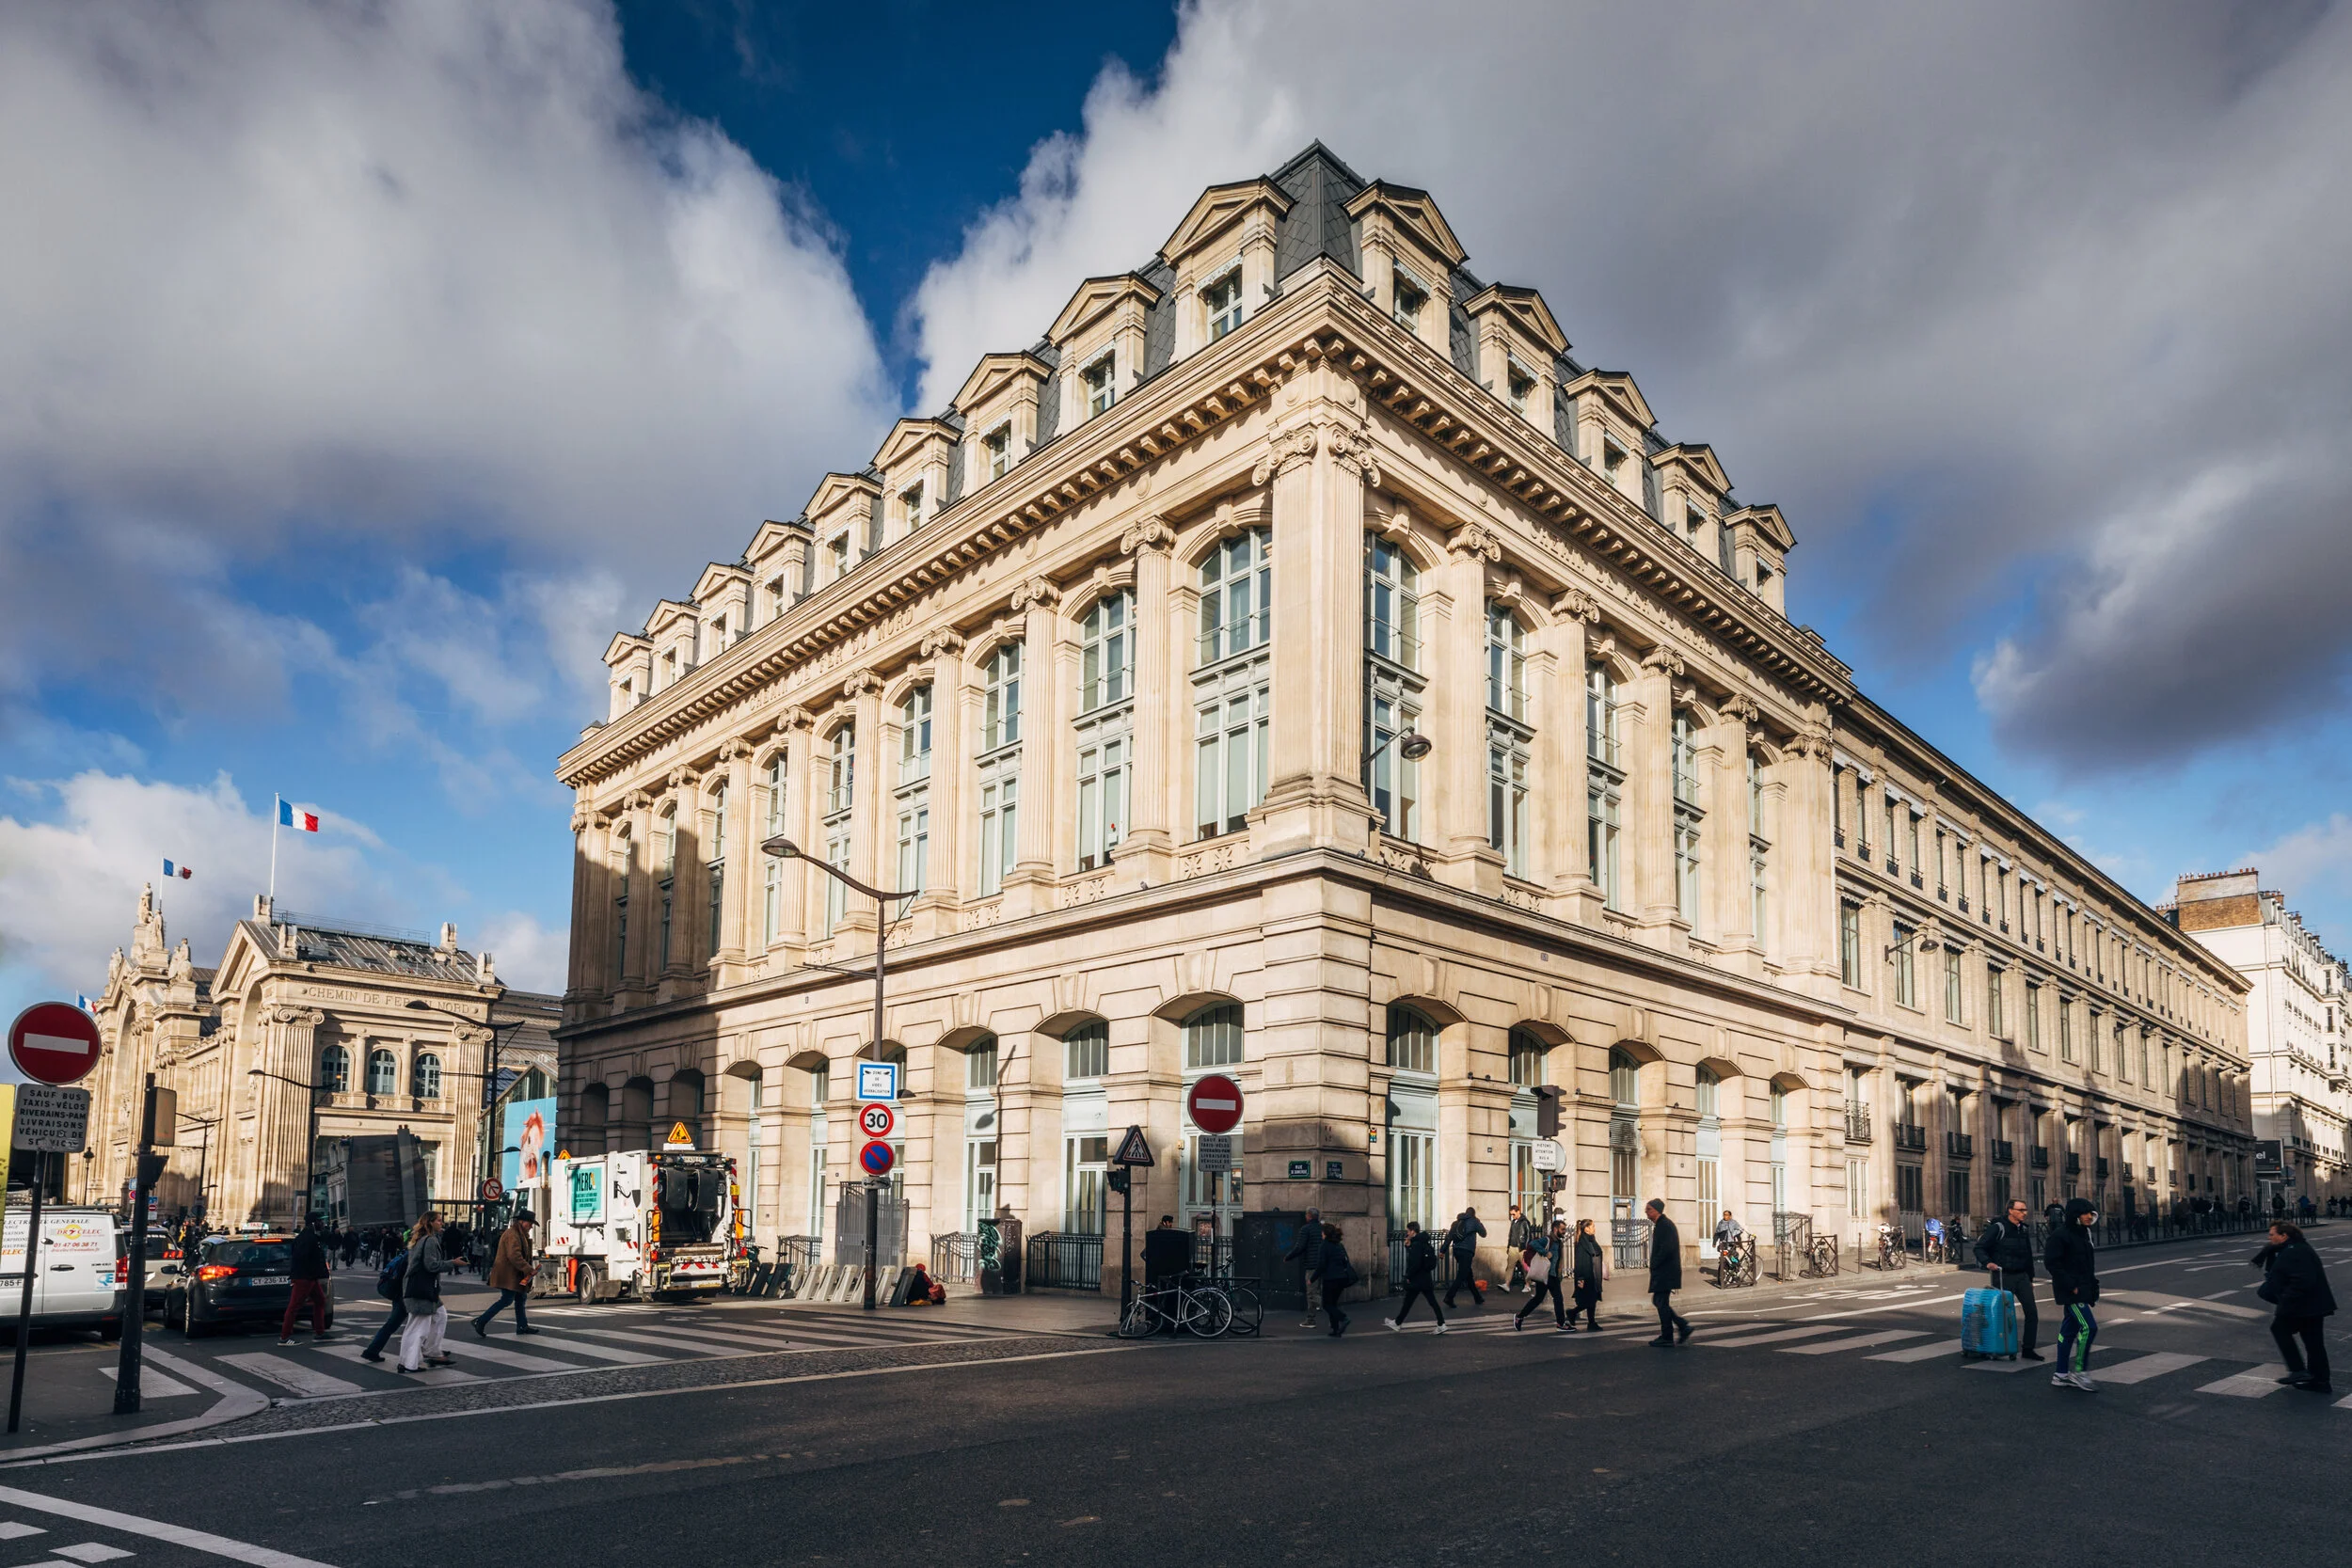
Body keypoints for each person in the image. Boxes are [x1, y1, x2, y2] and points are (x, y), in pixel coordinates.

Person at [2254, 1221, 2335, 1393]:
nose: (2269, 1237)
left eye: (2272, 1234)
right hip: (2312, 1305)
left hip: (2301, 1305)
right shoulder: (2294, 1248)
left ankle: (2298, 1370)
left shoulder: (2295, 1251)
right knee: (2313, 1343)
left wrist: (2286, 1299)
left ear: (2284, 1236)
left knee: (2279, 1329)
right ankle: (2320, 1381)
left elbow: (2303, 1280)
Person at [1973, 1196, 2044, 1361]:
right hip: (2003, 1276)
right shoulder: (1998, 1228)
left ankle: (2028, 1349)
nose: (2024, 1213)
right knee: (2002, 1315)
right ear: (2010, 1211)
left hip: (2022, 1276)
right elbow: (1980, 1247)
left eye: (2025, 1210)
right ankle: (1997, 1345)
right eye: (2021, 1210)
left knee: (2032, 1313)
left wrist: (2030, 1278)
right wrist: (1988, 1262)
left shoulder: (2023, 1229)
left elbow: (2028, 1256)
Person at [2044, 1196, 2101, 1391]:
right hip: (2072, 1292)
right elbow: (2052, 1263)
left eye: (2091, 1213)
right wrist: (2071, 1286)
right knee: (2089, 1328)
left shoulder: (2084, 1233)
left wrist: (2092, 1286)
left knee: (2067, 1333)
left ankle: (2060, 1374)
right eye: (2085, 1213)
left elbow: (2087, 1265)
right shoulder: (2060, 1235)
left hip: (2082, 1289)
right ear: (2074, 1215)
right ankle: (2080, 1372)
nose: (2089, 1217)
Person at [397, 1211, 462, 1374]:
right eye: (439, 1220)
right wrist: (453, 1263)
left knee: (440, 1316)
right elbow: (431, 1265)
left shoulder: (420, 1239)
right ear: (430, 1223)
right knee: (418, 1328)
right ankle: (409, 1363)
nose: (442, 1223)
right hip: (422, 1290)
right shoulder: (430, 1240)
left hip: (421, 1288)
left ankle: (431, 1351)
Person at [471, 1210, 540, 1338]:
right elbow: (514, 1256)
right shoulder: (512, 1234)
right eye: (530, 1223)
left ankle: (522, 1326)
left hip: (515, 1274)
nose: (531, 1226)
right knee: (507, 1300)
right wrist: (529, 1269)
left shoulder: (519, 1233)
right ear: (521, 1221)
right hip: (509, 1274)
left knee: (520, 1298)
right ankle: (480, 1321)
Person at [278, 1215, 335, 1345]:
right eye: (320, 1221)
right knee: (294, 1306)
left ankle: (320, 1332)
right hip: (304, 1277)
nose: (323, 1223)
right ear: (314, 1223)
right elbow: (303, 1258)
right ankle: (285, 1337)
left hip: (309, 1276)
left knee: (320, 1301)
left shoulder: (310, 1236)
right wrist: (313, 1270)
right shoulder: (307, 1238)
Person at [1386, 1221, 1448, 1334]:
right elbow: (1418, 1258)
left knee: (1409, 1302)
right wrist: (1408, 1246)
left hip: (1417, 1279)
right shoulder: (1422, 1242)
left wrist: (1408, 1276)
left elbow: (1415, 1263)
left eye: (1408, 1231)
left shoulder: (1416, 1244)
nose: (1407, 1233)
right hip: (1425, 1278)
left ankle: (1398, 1323)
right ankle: (1441, 1323)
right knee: (1429, 1302)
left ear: (1413, 1231)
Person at [1645, 1199, 1690, 1346]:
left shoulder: (1664, 1225)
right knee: (1660, 1301)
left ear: (1657, 1210)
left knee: (1660, 1302)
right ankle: (1681, 1326)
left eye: (1649, 1209)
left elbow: (1666, 1249)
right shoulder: (1662, 1225)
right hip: (1665, 1271)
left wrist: (1655, 1263)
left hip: (1665, 1271)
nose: (1646, 1212)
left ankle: (1669, 1335)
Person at [361, 1231, 410, 1364]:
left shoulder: (405, 1254)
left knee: (394, 1325)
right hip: (404, 1296)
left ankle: (372, 1350)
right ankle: (430, 1352)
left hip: (399, 1294)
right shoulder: (410, 1257)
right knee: (417, 1324)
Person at [1516, 1220, 1568, 1331]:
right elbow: (1532, 1244)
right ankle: (1560, 1324)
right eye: (1562, 1229)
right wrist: (1545, 1253)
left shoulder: (1559, 1242)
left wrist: (1559, 1274)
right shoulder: (1547, 1240)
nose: (1564, 1231)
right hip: (1545, 1274)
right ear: (1555, 1229)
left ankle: (1520, 1317)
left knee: (1551, 1299)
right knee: (1547, 1299)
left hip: (1553, 1276)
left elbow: (1558, 1260)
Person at [1283, 1208, 1325, 1330]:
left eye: (1307, 1214)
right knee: (1318, 1291)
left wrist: (1288, 1257)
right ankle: (1326, 1308)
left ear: (1309, 1216)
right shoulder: (1322, 1229)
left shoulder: (1305, 1229)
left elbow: (1300, 1247)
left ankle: (1311, 1319)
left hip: (1312, 1265)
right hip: (1324, 1264)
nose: (1305, 1216)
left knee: (1311, 1293)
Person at [1442, 1208, 1486, 1308]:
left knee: (1468, 1275)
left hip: (1457, 1250)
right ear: (1473, 1214)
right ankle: (1449, 1297)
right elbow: (1484, 1234)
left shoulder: (1456, 1222)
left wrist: (1442, 1250)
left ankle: (1477, 1298)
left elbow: (1449, 1237)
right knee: (1462, 1275)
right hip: (1467, 1251)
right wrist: (1478, 1222)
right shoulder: (1474, 1221)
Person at [1316, 1223, 1355, 1338]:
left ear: (1325, 1234)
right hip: (1341, 1278)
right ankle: (1335, 1329)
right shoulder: (1339, 1245)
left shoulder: (1324, 1245)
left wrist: (1312, 1278)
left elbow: (1321, 1265)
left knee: (1327, 1305)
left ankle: (1344, 1318)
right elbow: (1345, 1260)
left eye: (1322, 1232)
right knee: (1333, 1303)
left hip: (1330, 1279)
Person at [1570, 1217, 1606, 1331]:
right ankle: (1573, 1313)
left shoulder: (1592, 1240)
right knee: (1588, 1300)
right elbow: (1580, 1262)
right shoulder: (1582, 1242)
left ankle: (1590, 1322)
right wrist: (1580, 1279)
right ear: (1586, 1229)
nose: (1594, 1228)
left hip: (1594, 1275)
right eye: (1592, 1226)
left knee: (1592, 1299)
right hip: (1586, 1276)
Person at [1505, 1205, 1534, 1292]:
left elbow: (1528, 1236)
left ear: (1518, 1212)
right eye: (1511, 1215)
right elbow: (1510, 1235)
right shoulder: (1513, 1222)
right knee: (1510, 1267)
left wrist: (1526, 1248)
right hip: (1512, 1247)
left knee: (1525, 1267)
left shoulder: (1525, 1222)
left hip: (1521, 1248)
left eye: (1513, 1214)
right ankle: (1507, 1284)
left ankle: (1527, 1285)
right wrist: (1508, 1246)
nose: (1512, 1216)